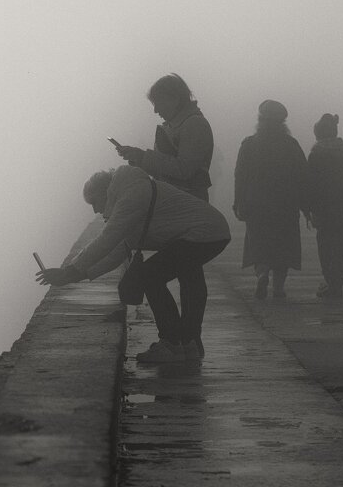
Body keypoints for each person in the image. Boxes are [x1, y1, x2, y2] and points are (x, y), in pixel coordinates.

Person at [36, 165, 230, 364]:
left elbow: (107, 239)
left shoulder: (131, 196)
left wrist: (71, 270)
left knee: (150, 276)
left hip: (204, 233)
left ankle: (172, 344)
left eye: (94, 203)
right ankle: (189, 343)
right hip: (209, 232)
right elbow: (118, 251)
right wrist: (77, 275)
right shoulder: (130, 193)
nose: (95, 210)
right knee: (185, 281)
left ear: (105, 191)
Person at [233, 99, 308, 299]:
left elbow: (240, 175)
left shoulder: (249, 144)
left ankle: (262, 273)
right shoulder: (291, 145)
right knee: (284, 245)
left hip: (256, 204)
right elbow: (303, 175)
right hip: (285, 204)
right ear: (283, 123)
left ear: (260, 121)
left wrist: (238, 200)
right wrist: (306, 205)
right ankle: (278, 288)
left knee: (259, 243)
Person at [114, 74, 214, 202]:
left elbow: (184, 170)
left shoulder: (194, 124)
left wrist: (143, 157)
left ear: (175, 99)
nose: (155, 110)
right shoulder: (177, 125)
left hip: (187, 204)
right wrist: (138, 158)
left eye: (158, 103)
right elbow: (166, 172)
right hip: (177, 201)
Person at [304, 114, 343, 300]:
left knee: (326, 247)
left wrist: (309, 208)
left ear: (318, 134)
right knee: (341, 247)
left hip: (324, 211)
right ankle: (337, 283)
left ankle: (331, 282)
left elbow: (310, 184)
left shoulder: (316, 155)